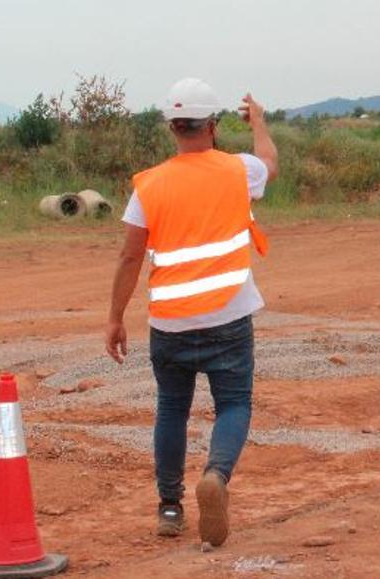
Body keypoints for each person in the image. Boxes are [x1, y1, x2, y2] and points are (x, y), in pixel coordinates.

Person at [104, 78, 278, 546]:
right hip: (229, 315)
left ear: (172, 127)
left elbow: (129, 257)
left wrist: (115, 317)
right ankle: (216, 475)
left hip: (170, 321)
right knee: (234, 404)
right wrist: (258, 123)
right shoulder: (239, 170)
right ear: (213, 126)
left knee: (172, 408)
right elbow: (269, 163)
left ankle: (169, 506)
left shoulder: (148, 186)